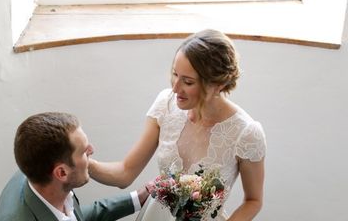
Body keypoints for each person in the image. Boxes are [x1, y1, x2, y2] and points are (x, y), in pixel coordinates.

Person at [88, 29, 266, 221]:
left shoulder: (247, 133)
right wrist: (82, 163)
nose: (175, 88)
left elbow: (253, 201)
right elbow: (125, 173)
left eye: (188, 82)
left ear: (218, 84)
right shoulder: (165, 104)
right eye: (175, 74)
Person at [0, 112, 150, 221]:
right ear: (61, 173)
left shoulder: (43, 177)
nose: (92, 150)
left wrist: (137, 198)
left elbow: (75, 217)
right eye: (83, 151)